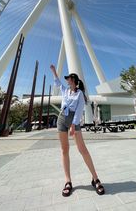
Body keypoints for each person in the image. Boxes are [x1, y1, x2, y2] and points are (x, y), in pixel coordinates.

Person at [50, 64, 105, 197]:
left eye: (68, 79)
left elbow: (80, 110)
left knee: (83, 149)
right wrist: (54, 72)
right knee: (64, 150)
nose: (66, 81)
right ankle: (68, 181)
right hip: (62, 118)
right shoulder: (65, 90)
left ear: (73, 80)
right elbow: (57, 84)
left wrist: (74, 125)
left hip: (73, 121)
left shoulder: (80, 94)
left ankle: (95, 178)